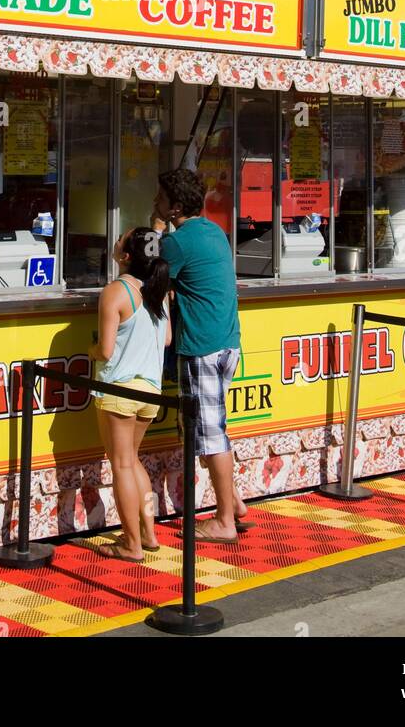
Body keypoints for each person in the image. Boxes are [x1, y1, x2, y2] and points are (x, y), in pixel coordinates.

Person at [153, 167, 252, 543]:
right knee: (202, 430)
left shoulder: (177, 243)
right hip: (227, 341)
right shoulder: (213, 232)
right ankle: (236, 503)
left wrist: (158, 232)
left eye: (161, 197)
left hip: (202, 346)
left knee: (210, 436)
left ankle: (225, 521)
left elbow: (150, 279)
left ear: (175, 205)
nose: (155, 202)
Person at [89, 227, 171, 562]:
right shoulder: (159, 291)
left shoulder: (114, 292)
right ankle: (149, 533)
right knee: (134, 461)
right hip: (150, 390)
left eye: (121, 237)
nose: (116, 237)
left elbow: (106, 351)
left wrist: (90, 349)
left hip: (119, 389)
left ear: (125, 256)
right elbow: (166, 340)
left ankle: (131, 544)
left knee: (122, 464)